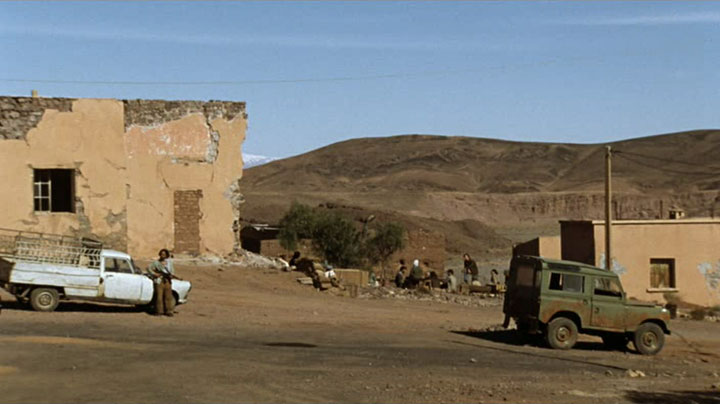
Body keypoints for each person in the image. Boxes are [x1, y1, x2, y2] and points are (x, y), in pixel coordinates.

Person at [147, 248, 175, 316]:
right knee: (159, 297)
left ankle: (169, 311)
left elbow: (172, 271)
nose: (163, 255)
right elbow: (149, 268)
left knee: (168, 296)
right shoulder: (156, 263)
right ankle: (159, 311)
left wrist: (171, 275)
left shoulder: (170, 263)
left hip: (167, 281)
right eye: (162, 254)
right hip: (159, 281)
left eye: (164, 254)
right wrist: (155, 274)